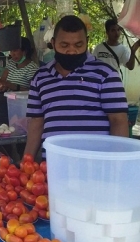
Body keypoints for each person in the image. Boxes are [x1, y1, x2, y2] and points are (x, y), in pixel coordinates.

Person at [24, 15, 128, 160]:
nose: (72, 51)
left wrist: (117, 164)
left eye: (78, 45)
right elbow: (36, 123)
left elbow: (119, 121)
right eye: (64, 45)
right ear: (53, 44)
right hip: (53, 167)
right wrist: (26, 162)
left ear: (87, 42)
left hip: (94, 166)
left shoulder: (106, 75)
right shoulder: (40, 77)